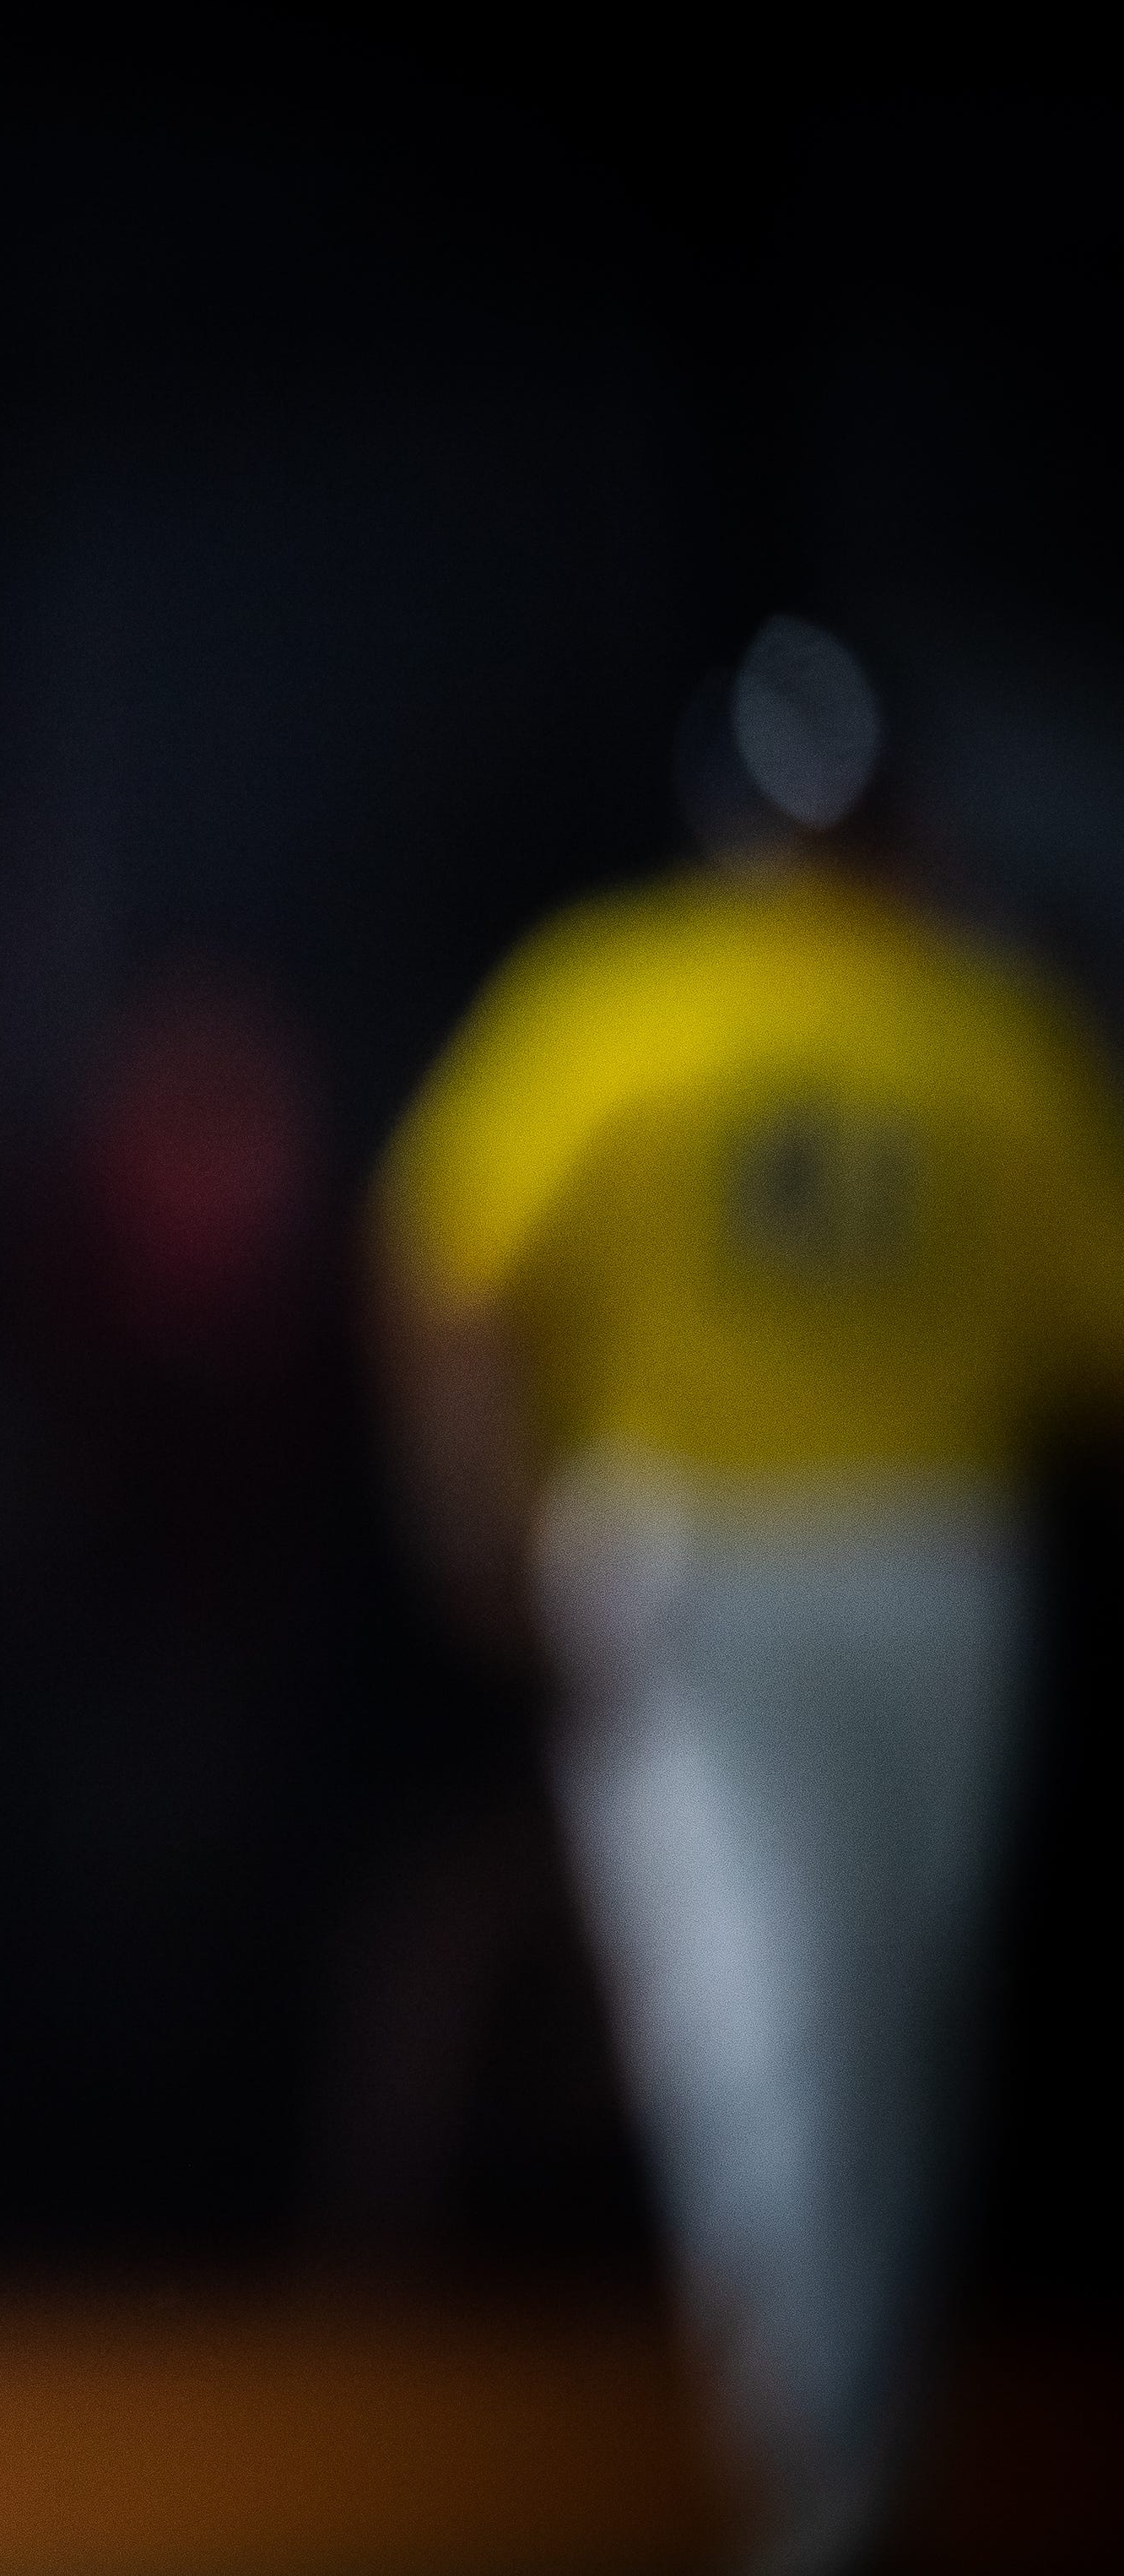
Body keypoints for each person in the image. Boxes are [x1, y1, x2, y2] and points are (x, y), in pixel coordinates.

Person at [376, 616, 1124, 2576]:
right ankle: (844, 2441)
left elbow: (443, 1266)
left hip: (692, 1553)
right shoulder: (986, 1020)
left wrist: (482, 1519)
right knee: (889, 2007)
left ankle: (826, 2448)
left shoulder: (622, 993)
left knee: (758, 2012)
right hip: (935, 1565)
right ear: (895, 811)